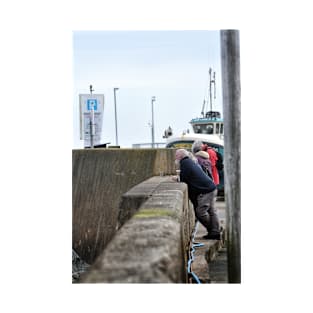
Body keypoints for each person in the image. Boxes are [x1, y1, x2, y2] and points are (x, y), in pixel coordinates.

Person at [175, 149, 221, 240]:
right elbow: (189, 175)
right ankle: (215, 231)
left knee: (200, 212)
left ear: (180, 156)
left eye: (176, 156)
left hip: (206, 190)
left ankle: (213, 230)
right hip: (211, 187)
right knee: (211, 211)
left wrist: (177, 179)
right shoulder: (189, 161)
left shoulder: (184, 163)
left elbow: (184, 178)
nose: (175, 158)